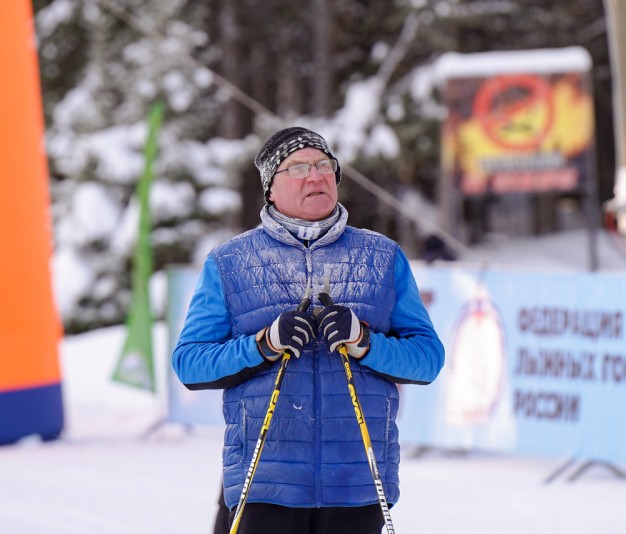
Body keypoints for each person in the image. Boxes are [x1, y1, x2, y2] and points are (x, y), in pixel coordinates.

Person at [172, 126, 445, 534]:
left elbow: (427, 359)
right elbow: (190, 364)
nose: (315, 176)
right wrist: (263, 344)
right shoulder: (230, 262)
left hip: (357, 483)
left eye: (323, 165)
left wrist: (365, 342)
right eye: (298, 168)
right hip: (266, 485)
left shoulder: (382, 257)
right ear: (270, 188)